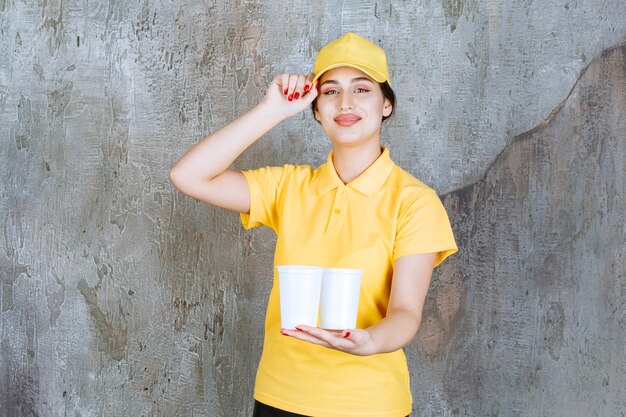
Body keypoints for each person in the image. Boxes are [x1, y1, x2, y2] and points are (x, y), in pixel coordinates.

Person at [169, 32, 457, 417]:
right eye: (331, 91)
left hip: (369, 403)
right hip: (279, 396)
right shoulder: (290, 186)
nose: (346, 103)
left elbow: (406, 312)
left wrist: (368, 341)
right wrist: (271, 111)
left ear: (386, 104)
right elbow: (188, 176)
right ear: (316, 108)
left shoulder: (415, 201)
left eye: (362, 89)